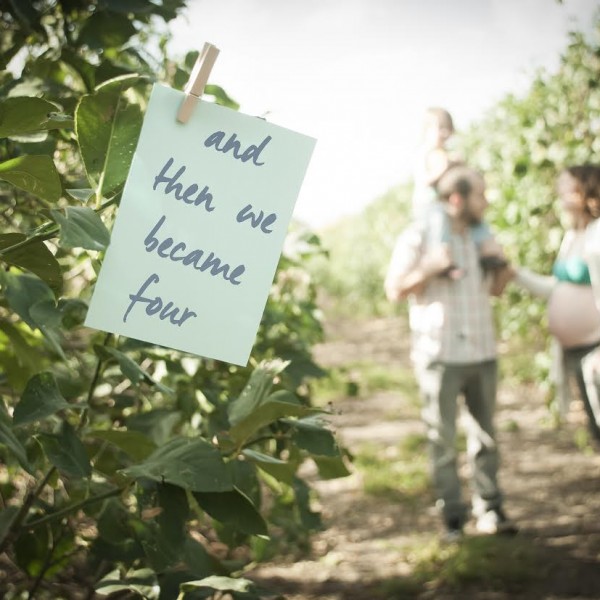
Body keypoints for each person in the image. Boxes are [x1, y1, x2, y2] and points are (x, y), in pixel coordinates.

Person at [385, 164, 516, 541]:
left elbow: (495, 291)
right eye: (480, 194)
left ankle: (490, 508)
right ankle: (452, 517)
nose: (486, 201)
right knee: (442, 440)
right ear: (457, 198)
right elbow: (393, 289)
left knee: (486, 436)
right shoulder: (420, 236)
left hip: (482, 349)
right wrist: (428, 267)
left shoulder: (481, 239)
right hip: (438, 353)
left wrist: (503, 264)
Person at [513, 164, 600, 442]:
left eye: (567, 186)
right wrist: (516, 274)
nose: (560, 192)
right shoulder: (573, 236)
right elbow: (556, 287)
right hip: (578, 351)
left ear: (586, 190)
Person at [411, 107, 500, 278]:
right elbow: (426, 181)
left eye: (448, 129)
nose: (445, 133)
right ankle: (442, 260)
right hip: (429, 204)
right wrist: (446, 167)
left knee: (473, 216)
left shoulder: (444, 154)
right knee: (440, 222)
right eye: (440, 128)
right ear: (427, 130)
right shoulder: (423, 154)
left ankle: (487, 253)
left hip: (445, 202)